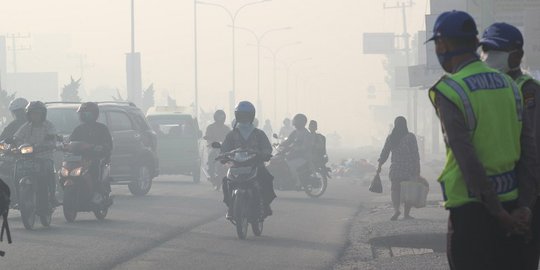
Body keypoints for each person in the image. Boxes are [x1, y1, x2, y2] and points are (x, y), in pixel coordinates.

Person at [426, 11, 534, 270]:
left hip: (472, 213)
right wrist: (524, 208)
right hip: (514, 207)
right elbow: (530, 151)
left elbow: (467, 159)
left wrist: (497, 214)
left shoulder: (450, 90)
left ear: (442, 44)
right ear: (475, 43)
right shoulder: (510, 85)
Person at [479, 22, 540, 270]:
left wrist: (526, 201)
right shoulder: (484, 88)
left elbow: (532, 149)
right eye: (486, 50)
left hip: (525, 193)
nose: (489, 57)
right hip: (494, 192)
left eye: (496, 51)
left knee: (520, 260)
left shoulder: (528, 91)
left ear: (516, 55)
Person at [221, 101, 275, 219]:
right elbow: (224, 149)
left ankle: (265, 205)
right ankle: (231, 207)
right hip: (236, 166)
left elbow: (267, 148)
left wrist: (265, 154)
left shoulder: (259, 133)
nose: (244, 118)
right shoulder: (232, 134)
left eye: (246, 115)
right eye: (241, 115)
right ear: (237, 116)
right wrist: (223, 156)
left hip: (256, 165)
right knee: (226, 182)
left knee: (267, 179)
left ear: (251, 116)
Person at [14, 101, 59, 207]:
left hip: (44, 157)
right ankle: (19, 199)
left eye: (37, 113)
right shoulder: (26, 126)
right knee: (16, 172)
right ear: (28, 115)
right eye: (32, 113)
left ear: (43, 114)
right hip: (27, 158)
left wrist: (48, 143)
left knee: (49, 175)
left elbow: (53, 138)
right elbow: (17, 137)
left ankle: (52, 196)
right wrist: (13, 142)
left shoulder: (48, 126)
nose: (35, 116)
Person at [68, 102, 113, 204]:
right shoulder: (78, 129)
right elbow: (71, 142)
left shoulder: (102, 128)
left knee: (94, 169)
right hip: (80, 159)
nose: (84, 116)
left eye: (87, 114)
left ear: (94, 114)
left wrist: (101, 147)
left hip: (97, 158)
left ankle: (97, 192)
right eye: (83, 114)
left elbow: (109, 145)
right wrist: (65, 146)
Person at [377, 116, 420, 221]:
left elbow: (385, 152)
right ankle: (406, 214)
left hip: (396, 168)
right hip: (409, 168)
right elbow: (415, 154)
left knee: (395, 190)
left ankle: (396, 210)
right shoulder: (410, 137)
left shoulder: (391, 137)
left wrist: (380, 165)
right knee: (408, 191)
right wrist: (417, 168)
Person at [279, 114, 314, 187]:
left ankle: (298, 182)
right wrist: (280, 144)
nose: (295, 124)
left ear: (301, 122)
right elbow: (289, 140)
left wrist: (296, 148)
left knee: (291, 165)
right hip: (294, 155)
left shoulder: (306, 134)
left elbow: (305, 147)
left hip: (303, 157)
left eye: (296, 121)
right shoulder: (295, 132)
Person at [204, 110, 231, 180]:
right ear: (215, 117)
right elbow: (208, 137)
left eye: (222, 117)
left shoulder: (227, 128)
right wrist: (210, 140)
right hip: (213, 147)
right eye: (219, 117)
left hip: (223, 148)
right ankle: (211, 172)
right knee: (211, 156)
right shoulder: (210, 127)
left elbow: (230, 137)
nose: (220, 119)